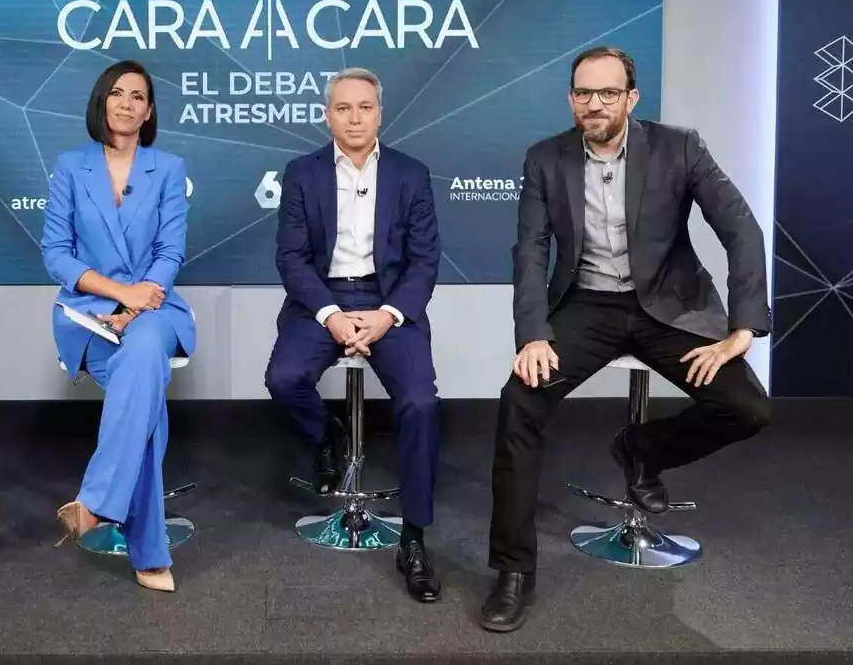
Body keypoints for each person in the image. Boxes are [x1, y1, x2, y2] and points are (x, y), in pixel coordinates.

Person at [479, 46, 772, 631]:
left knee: (747, 407)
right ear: (571, 99)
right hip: (587, 306)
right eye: (584, 93)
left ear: (631, 98)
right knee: (519, 402)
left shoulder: (678, 147)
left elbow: (741, 228)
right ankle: (513, 571)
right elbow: (531, 252)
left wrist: (743, 326)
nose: (595, 104)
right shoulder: (545, 158)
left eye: (608, 93)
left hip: (667, 305)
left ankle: (643, 449)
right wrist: (534, 333)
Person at [264, 67, 442, 603]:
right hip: (320, 297)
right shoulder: (302, 172)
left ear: (380, 113)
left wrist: (387, 316)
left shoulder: (412, 174)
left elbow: (424, 260)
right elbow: (291, 259)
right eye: (344, 108)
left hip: (388, 302)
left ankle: (413, 537)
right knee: (284, 378)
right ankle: (327, 434)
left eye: (365, 107)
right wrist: (331, 315)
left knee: (420, 402)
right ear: (328, 115)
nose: (355, 117)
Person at [41, 60, 196, 593]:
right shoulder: (70, 166)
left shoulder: (168, 168)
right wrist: (116, 295)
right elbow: (56, 255)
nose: (127, 102)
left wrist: (137, 304)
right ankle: (148, 553)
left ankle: (99, 503)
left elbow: (170, 249)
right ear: (101, 101)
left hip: (153, 309)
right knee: (146, 409)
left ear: (149, 110)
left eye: (139, 96)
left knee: (147, 347)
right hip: (89, 315)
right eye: (117, 93)